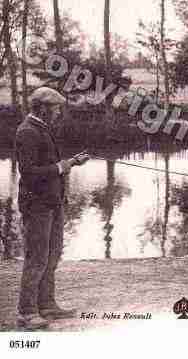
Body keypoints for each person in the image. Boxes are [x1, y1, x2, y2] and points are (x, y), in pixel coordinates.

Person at [15, 87, 90, 330]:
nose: (59, 112)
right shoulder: (27, 131)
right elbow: (28, 174)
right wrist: (62, 166)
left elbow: (51, 164)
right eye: (56, 108)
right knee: (37, 258)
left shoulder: (42, 129)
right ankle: (26, 313)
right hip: (37, 205)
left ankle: (46, 305)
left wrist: (71, 163)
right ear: (43, 108)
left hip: (53, 203)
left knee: (53, 255)